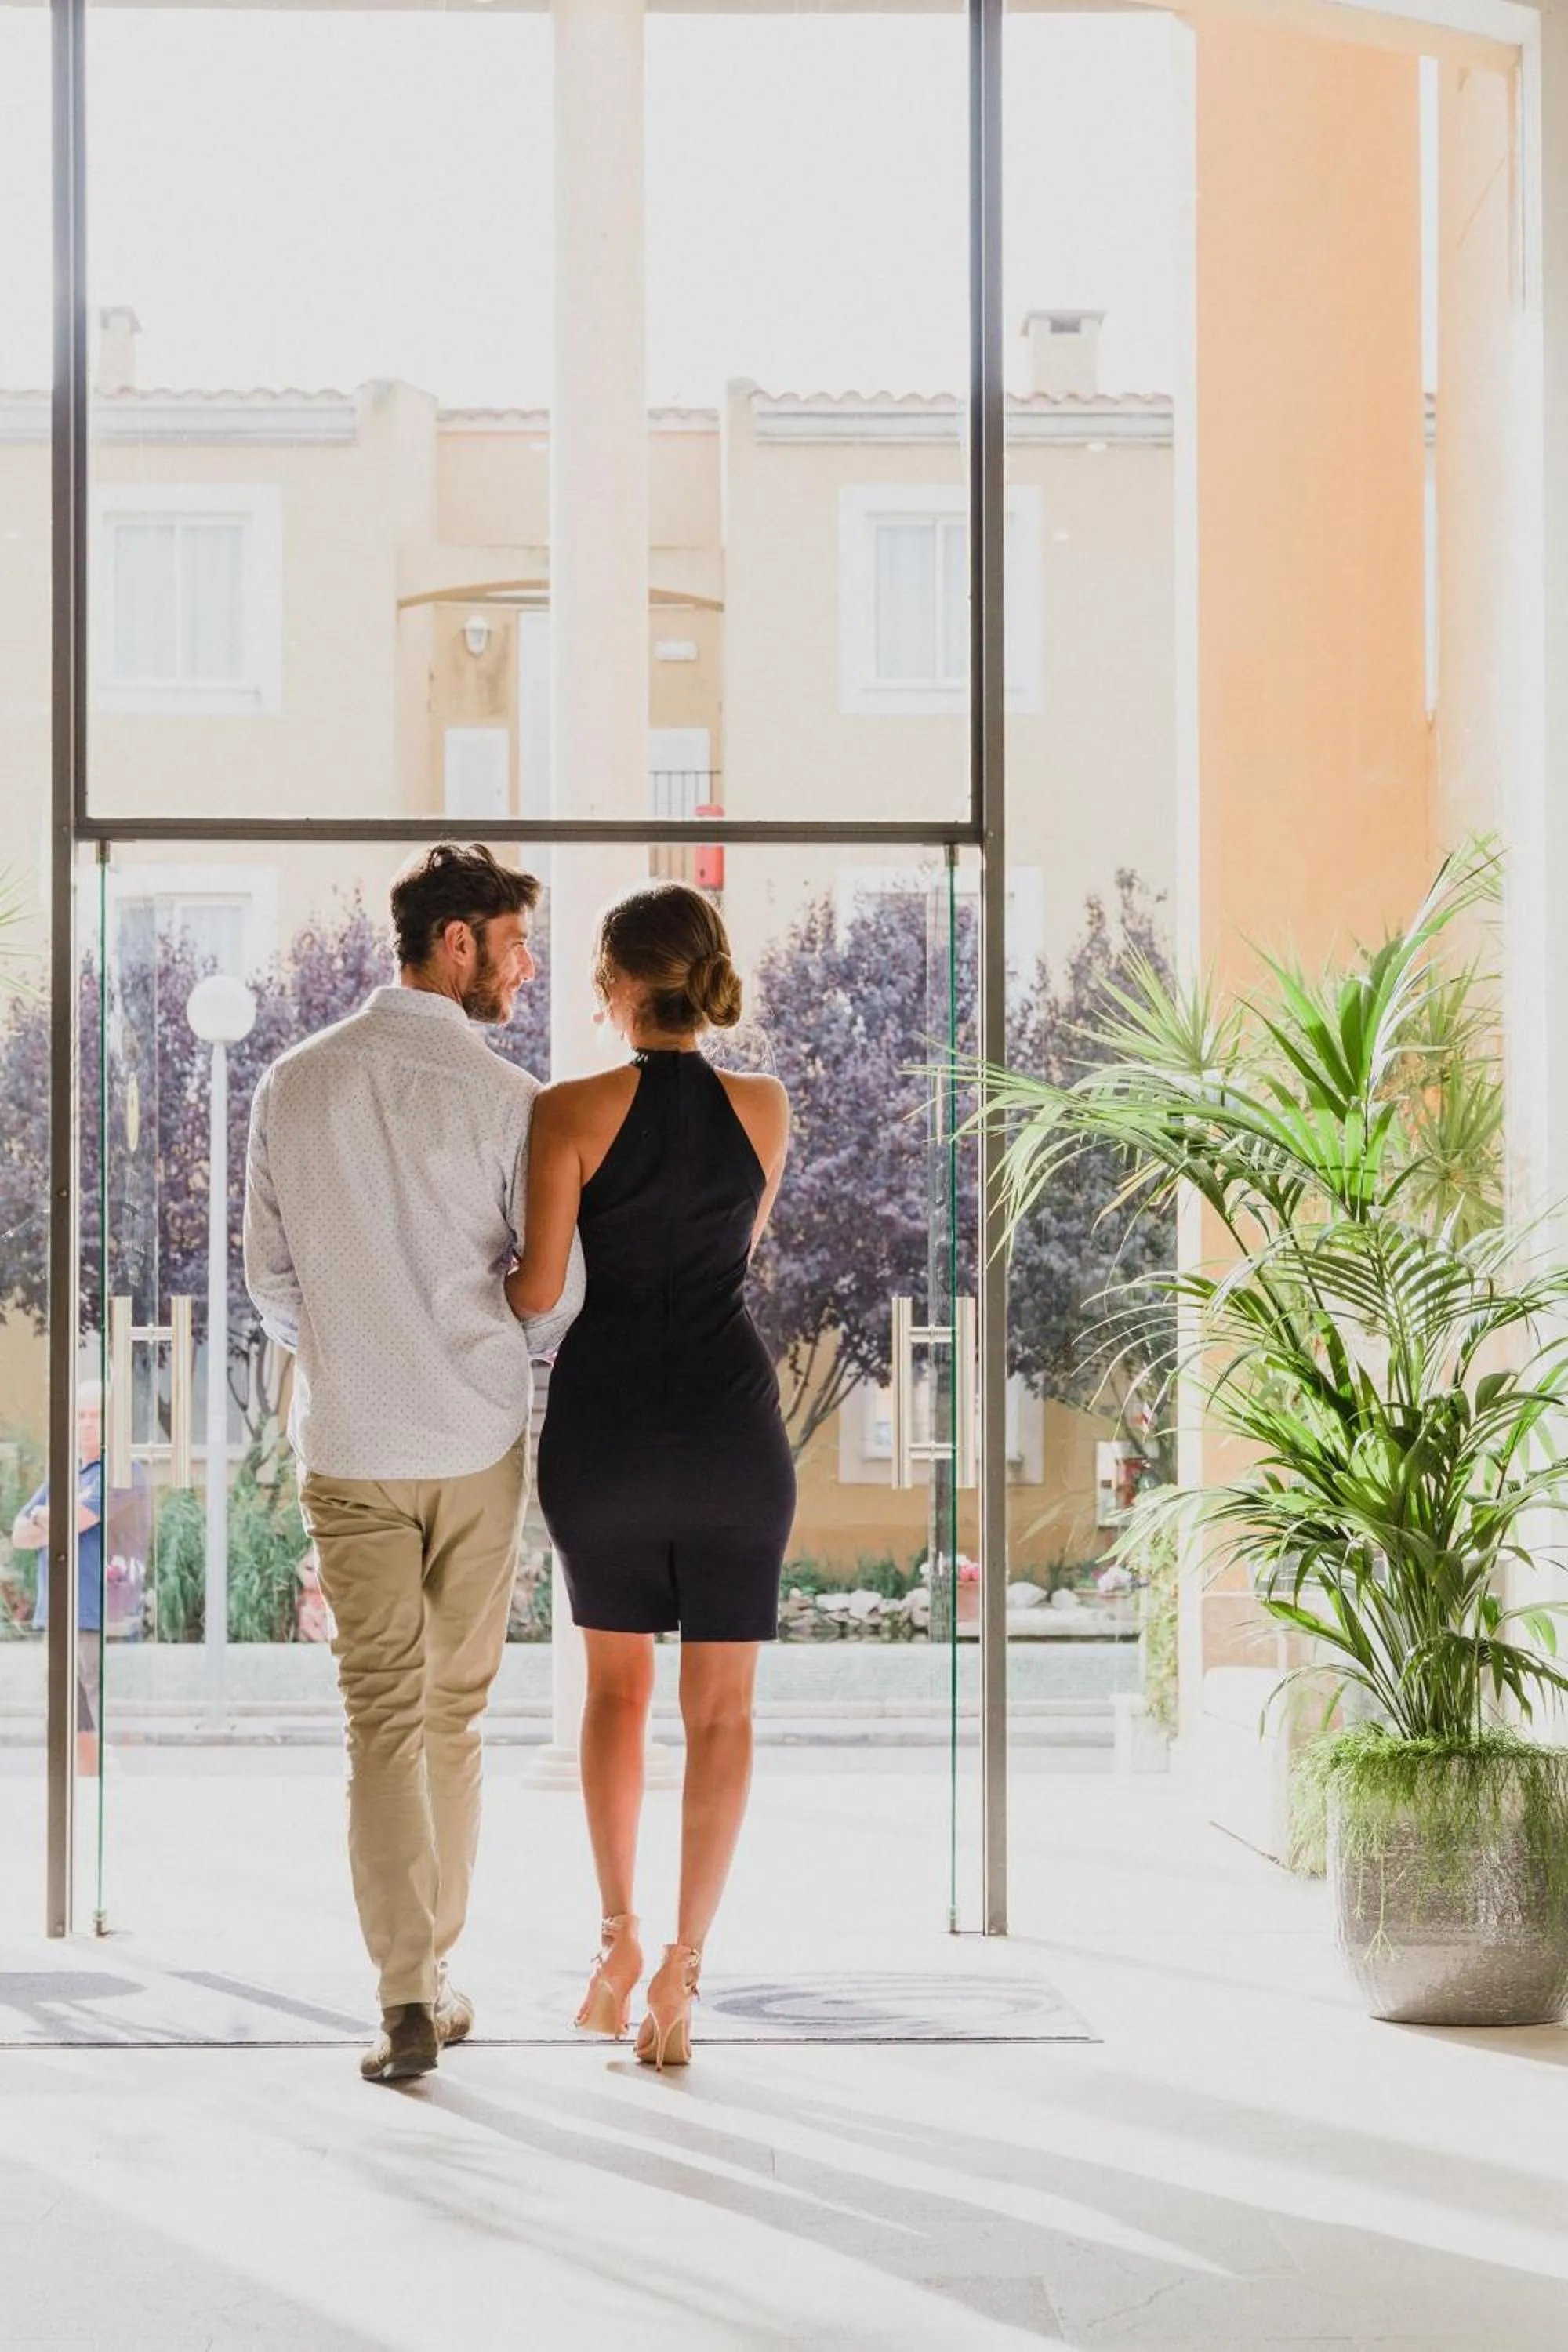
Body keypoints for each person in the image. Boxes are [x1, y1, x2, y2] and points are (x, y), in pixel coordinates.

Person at [244, 842, 582, 2086]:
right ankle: (435, 1974)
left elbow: (267, 1283)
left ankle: (402, 1997)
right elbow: (553, 1300)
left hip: (347, 1445)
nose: (525, 968)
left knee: (380, 1718)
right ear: (457, 944)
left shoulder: (292, 1082)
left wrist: (350, 1336)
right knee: (456, 1714)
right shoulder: (510, 1099)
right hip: (477, 1440)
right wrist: (476, 1343)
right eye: (513, 944)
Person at [506, 880, 793, 2071]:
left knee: (614, 1695)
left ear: (616, 984)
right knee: (721, 1715)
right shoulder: (766, 1107)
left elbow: (536, 1292)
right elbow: (737, 1252)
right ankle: (683, 1973)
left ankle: (618, 1941)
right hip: (730, 1429)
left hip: (608, 1424)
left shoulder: (567, 1109)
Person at [8, 1381, 107, 1778]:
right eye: (79, 1415)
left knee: (97, 1711)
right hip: (58, 1613)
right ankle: (84, 1785)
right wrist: (46, 1520)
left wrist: (49, 1520)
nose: (85, 1424)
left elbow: (77, 1521)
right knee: (71, 1715)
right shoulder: (66, 1474)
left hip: (90, 1614)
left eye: (94, 1416)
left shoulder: (113, 1473)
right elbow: (19, 1534)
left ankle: (105, 1788)